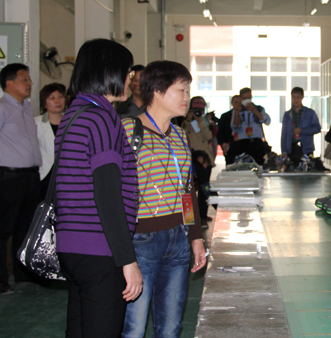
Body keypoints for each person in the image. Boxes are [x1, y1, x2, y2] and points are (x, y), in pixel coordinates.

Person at [55, 39, 142, 337]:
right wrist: (127, 259)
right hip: (99, 247)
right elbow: (107, 195)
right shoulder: (102, 118)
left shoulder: (74, 114)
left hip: (72, 245)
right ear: (108, 72)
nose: (130, 78)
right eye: (128, 71)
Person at [121, 61, 207, 338]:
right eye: (181, 90)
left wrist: (195, 236)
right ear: (157, 91)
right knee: (133, 328)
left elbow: (187, 191)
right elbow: (113, 194)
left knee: (170, 327)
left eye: (187, 91)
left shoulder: (180, 135)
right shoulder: (126, 131)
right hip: (140, 241)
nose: (187, 98)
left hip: (178, 239)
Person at [0, 63, 42, 295]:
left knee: (25, 227)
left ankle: (23, 274)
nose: (29, 84)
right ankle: (0, 280)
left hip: (30, 176)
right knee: (3, 229)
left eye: (29, 80)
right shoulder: (2, 108)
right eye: (24, 80)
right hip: (9, 176)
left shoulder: (27, 107)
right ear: (9, 83)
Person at [182, 96, 216, 224]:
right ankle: (189, 218)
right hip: (191, 156)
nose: (197, 112)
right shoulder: (185, 120)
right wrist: (187, 120)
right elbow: (181, 135)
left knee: (204, 187)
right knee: (189, 188)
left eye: (200, 110)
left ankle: (203, 215)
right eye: (195, 109)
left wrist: (201, 121)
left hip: (205, 157)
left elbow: (209, 136)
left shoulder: (205, 120)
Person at [35, 82, 67, 198]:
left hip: (66, 173)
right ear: (44, 103)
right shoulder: (36, 123)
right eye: (52, 98)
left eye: (60, 97)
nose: (58, 101)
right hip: (45, 174)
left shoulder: (72, 122)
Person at [228, 87, 271, 165]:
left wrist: (254, 110)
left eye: (249, 98)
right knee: (242, 166)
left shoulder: (258, 108)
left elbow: (267, 121)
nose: (247, 100)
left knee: (259, 165)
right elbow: (235, 127)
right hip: (242, 143)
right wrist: (237, 113)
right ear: (241, 98)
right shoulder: (237, 110)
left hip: (256, 142)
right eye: (244, 98)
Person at [281, 87, 321, 159]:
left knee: (306, 165)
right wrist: (283, 151)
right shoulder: (287, 115)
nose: (296, 100)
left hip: (306, 148)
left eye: (298, 97)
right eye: (294, 97)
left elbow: (317, 128)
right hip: (291, 148)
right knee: (291, 165)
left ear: (302, 97)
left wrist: (302, 131)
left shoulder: (310, 113)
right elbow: (284, 134)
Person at [217, 95, 240, 165]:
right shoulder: (225, 116)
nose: (238, 104)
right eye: (236, 102)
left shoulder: (247, 115)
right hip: (230, 145)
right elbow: (220, 132)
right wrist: (223, 143)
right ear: (232, 103)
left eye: (240, 102)